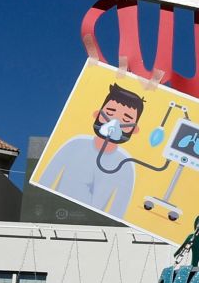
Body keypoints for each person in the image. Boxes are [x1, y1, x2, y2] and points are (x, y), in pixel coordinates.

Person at [34, 84, 147, 217]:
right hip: (57, 214)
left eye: (126, 119)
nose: (114, 122)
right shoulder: (74, 144)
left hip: (93, 225)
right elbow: (44, 181)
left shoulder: (126, 165)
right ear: (97, 114)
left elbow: (119, 209)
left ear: (135, 129)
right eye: (110, 113)